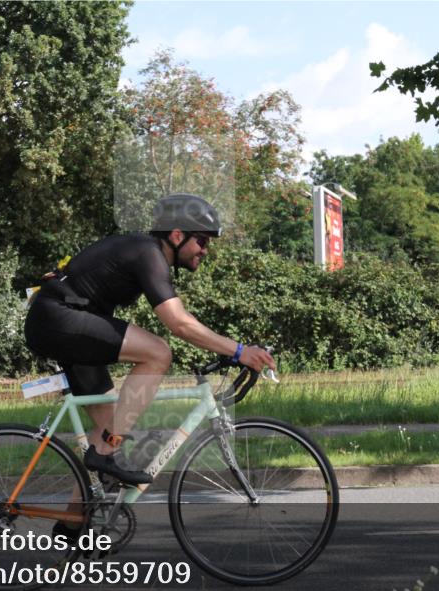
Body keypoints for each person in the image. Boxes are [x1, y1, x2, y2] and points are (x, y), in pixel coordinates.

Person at [23, 193, 276, 487]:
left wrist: (229, 349)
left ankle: (72, 525)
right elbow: (178, 323)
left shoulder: (147, 254)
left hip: (62, 321)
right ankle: (105, 454)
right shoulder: (148, 253)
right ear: (177, 235)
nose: (205, 250)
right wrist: (240, 351)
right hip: (58, 319)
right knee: (158, 353)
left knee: (107, 430)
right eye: (202, 241)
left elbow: (183, 318)